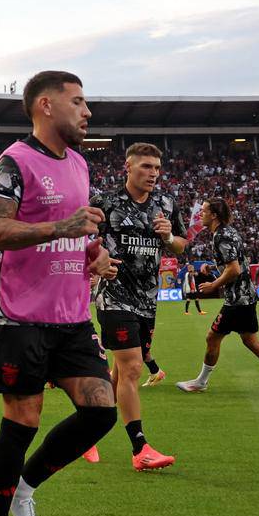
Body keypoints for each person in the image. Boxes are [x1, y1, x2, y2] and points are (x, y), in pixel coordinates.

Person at [0, 70, 119, 516]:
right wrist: (63, 226)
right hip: (21, 317)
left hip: (72, 315)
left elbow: (76, 238)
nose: (88, 111)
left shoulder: (79, 163)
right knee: (23, 420)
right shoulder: (15, 162)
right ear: (46, 106)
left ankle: (24, 490)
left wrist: (93, 255)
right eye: (78, 101)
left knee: (101, 410)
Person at [94, 142, 186, 471]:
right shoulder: (105, 202)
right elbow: (81, 240)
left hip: (148, 299)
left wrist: (168, 237)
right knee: (133, 367)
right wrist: (97, 263)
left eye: (157, 168)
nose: (153, 174)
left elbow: (181, 247)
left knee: (120, 372)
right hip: (114, 293)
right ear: (128, 167)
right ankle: (140, 449)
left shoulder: (166, 203)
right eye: (146, 167)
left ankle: (87, 428)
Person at [175, 200, 259, 396]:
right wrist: (213, 267)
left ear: (214, 215)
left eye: (204, 211)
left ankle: (201, 382)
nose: (200, 214)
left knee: (212, 337)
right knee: (250, 340)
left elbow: (234, 268)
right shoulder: (229, 232)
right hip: (246, 296)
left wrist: (213, 285)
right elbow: (237, 262)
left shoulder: (221, 236)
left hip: (237, 299)